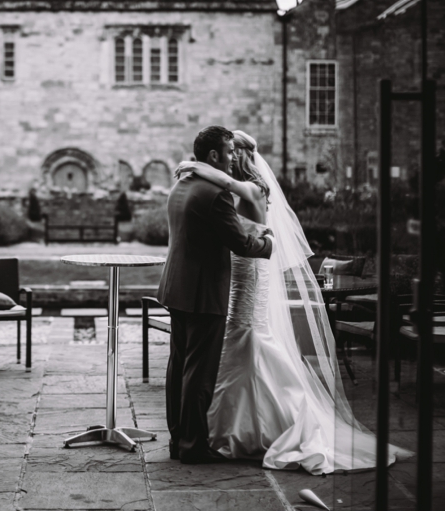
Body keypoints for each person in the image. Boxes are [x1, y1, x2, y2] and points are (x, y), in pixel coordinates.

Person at [174, 129, 413, 474]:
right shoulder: (228, 189)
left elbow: (234, 202)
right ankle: (219, 426)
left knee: (248, 336)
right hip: (241, 270)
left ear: (240, 156)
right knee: (237, 338)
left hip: (251, 271)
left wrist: (192, 166)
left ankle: (254, 425)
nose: (228, 158)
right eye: (225, 153)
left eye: (232, 152)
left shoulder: (251, 189)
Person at [157, 126, 274, 465]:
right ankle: (194, 447)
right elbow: (239, 242)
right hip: (204, 292)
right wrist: (268, 244)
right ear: (213, 156)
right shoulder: (216, 193)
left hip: (176, 287)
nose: (232, 156)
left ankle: (179, 439)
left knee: (178, 367)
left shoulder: (182, 184)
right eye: (228, 151)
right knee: (200, 373)